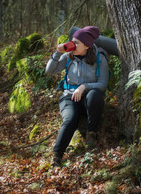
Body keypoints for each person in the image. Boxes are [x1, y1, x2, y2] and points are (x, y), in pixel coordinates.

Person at [46, 26, 109, 167]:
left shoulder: (100, 58)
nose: (73, 44)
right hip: (69, 97)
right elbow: (49, 71)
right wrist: (57, 53)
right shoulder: (68, 56)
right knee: (70, 119)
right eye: (72, 40)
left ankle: (91, 134)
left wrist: (84, 87)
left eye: (77, 42)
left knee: (95, 95)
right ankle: (57, 156)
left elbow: (103, 84)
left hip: (88, 98)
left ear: (87, 45)